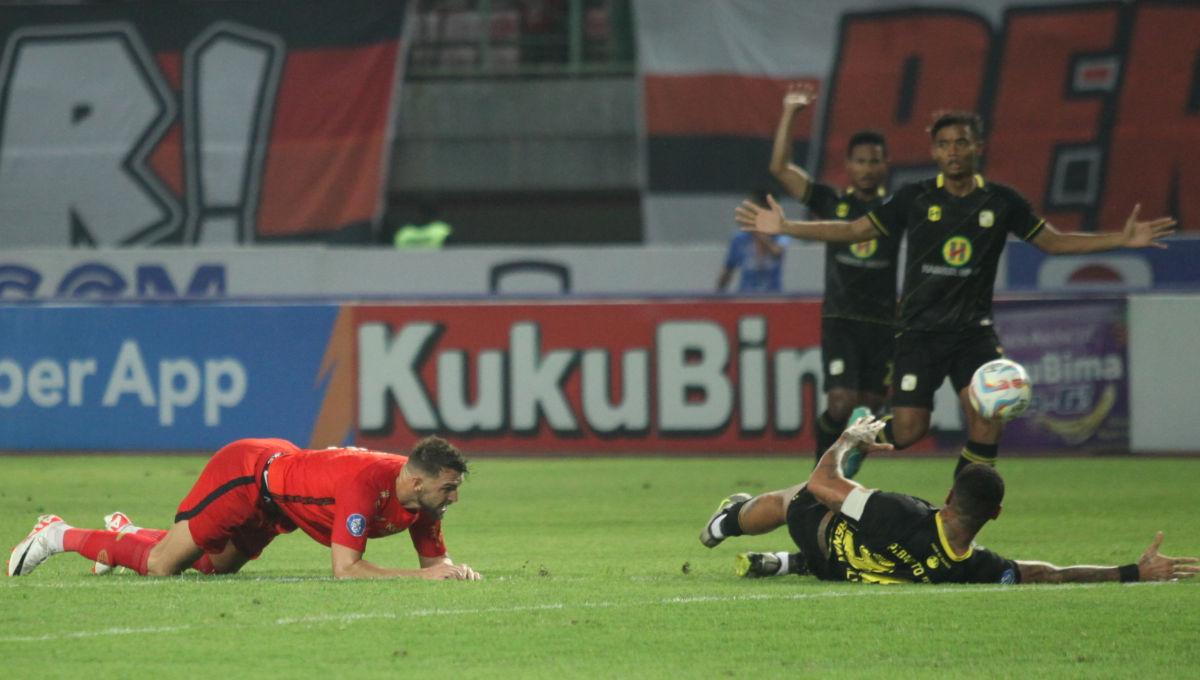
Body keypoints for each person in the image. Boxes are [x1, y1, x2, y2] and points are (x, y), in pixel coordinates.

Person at [737, 111, 1176, 477]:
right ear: (934, 151)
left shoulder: (1002, 202)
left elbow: (1055, 242)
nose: (952, 151)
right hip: (917, 333)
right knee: (908, 431)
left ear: (977, 147)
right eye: (944, 144)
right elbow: (853, 230)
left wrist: (1121, 237)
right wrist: (787, 227)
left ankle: (964, 505)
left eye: (961, 142)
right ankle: (856, 438)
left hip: (972, 334)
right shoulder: (915, 197)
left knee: (987, 417)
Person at [699, 415, 1199, 584]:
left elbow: (822, 483)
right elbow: (1048, 573)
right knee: (861, 545)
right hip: (852, 571)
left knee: (792, 497)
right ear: (995, 514)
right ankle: (787, 564)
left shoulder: (905, 513)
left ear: (947, 494)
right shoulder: (976, 567)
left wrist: (849, 439)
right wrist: (1132, 572)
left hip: (827, 542)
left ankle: (725, 523)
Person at [8, 436, 481, 581]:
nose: (454, 497)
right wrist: (422, 578)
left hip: (279, 507)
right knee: (160, 567)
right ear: (417, 480)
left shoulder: (424, 503)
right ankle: (57, 533)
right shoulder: (368, 484)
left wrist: (454, 573)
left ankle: (126, 536)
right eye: (449, 488)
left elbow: (436, 565)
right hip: (248, 476)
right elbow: (346, 570)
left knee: (215, 567)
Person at [768, 82, 899, 469]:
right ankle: (820, 472)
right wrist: (791, 113)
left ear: (884, 165)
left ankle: (851, 453)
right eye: (860, 161)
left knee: (873, 406)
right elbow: (780, 169)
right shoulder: (833, 202)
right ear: (848, 166)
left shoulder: (897, 208)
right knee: (840, 403)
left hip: (882, 321)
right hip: (841, 318)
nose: (867, 168)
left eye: (874, 161)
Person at [717, 191, 791, 293]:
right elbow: (728, 270)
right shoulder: (739, 239)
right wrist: (718, 296)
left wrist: (756, 231)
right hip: (746, 298)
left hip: (773, 297)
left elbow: (777, 251)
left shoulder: (781, 235)